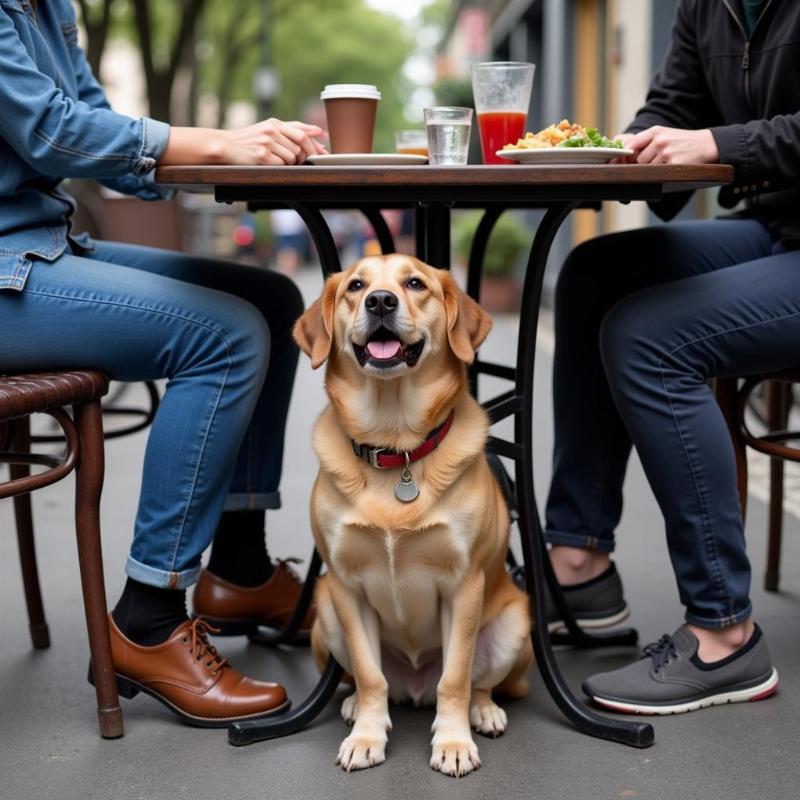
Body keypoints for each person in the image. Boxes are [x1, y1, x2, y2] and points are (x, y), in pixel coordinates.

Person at [0, 0, 326, 725]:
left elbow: (87, 117)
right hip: (4, 268)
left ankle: (239, 569)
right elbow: (49, 132)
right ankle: (146, 617)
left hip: (44, 246)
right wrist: (218, 143)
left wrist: (249, 151)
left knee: (271, 302)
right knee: (226, 334)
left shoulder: (50, 5)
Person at [544, 0, 798, 714]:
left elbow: (712, 136)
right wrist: (635, 145)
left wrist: (719, 141)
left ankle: (726, 635)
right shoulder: (705, 5)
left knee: (652, 337)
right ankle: (578, 565)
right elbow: (670, 108)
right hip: (776, 230)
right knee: (595, 275)